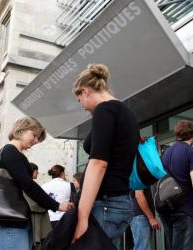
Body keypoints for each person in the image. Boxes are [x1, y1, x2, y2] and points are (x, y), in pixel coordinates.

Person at [71, 64, 139, 247]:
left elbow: (98, 163)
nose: (82, 107)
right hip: (119, 202)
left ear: (85, 92)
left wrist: (82, 217)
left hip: (106, 204)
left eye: (79, 100)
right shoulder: (125, 112)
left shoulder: (104, 110)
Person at [0, 117, 73, 250]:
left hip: (13, 219)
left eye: (38, 139)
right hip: (10, 221)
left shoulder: (12, 152)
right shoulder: (9, 151)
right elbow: (28, 185)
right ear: (21, 130)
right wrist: (56, 205)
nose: (35, 141)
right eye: (34, 135)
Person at [159, 120, 193, 250]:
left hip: (166, 209)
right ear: (192, 135)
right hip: (184, 209)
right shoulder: (192, 153)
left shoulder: (165, 154)